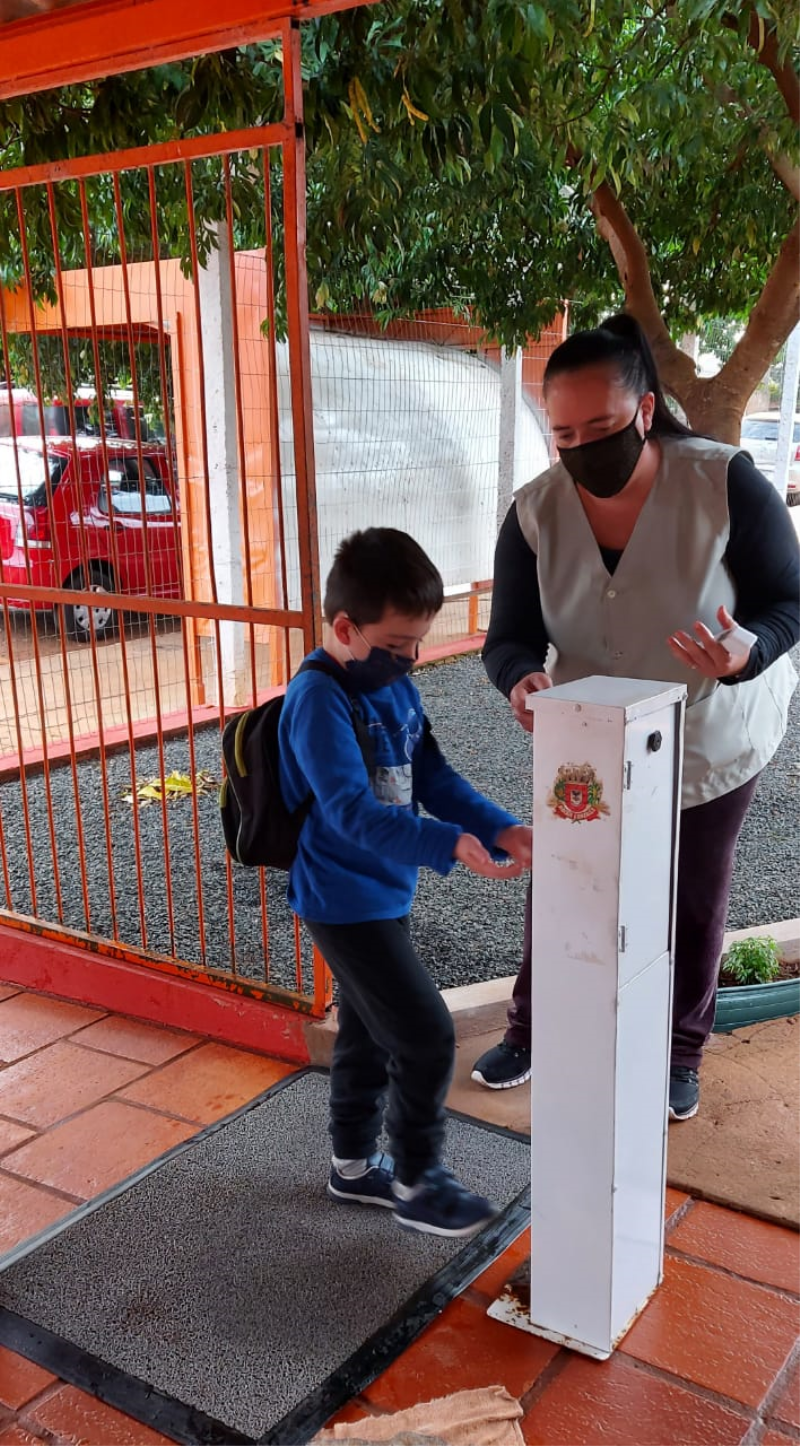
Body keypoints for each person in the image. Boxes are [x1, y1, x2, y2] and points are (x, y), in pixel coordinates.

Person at [471, 314, 800, 1120]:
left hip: (709, 734)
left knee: (692, 894)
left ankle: (680, 1051)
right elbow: (508, 638)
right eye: (564, 433)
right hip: (589, 737)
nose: (583, 448)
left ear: (646, 411)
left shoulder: (726, 484)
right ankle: (531, 1029)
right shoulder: (534, 513)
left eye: (604, 427)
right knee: (567, 882)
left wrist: (746, 650)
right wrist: (519, 680)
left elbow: (789, 600)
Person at [279, 527, 532, 1236]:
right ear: (344, 628)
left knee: (366, 1031)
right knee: (424, 1034)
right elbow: (351, 815)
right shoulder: (318, 699)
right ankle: (420, 1180)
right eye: (395, 646)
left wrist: (498, 826)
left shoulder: (392, 688)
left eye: (418, 643)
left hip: (385, 894)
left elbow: (433, 778)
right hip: (340, 900)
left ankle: (353, 1169)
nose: (411, 659)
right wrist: (446, 842)